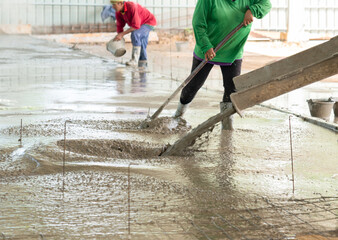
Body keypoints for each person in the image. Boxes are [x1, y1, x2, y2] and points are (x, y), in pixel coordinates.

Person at [174, 0, 272, 130]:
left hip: (233, 50)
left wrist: (252, 10)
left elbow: (267, 4)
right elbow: (198, 24)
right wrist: (206, 46)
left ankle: (227, 126)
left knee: (231, 89)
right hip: (208, 48)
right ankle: (178, 115)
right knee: (193, 85)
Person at [111, 0, 156, 68]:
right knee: (141, 43)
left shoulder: (132, 7)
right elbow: (120, 26)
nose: (113, 7)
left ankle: (134, 60)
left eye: (114, 5)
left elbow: (136, 26)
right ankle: (143, 63)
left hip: (149, 22)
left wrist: (122, 34)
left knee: (135, 34)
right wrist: (119, 36)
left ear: (120, 3)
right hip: (140, 23)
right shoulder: (118, 12)